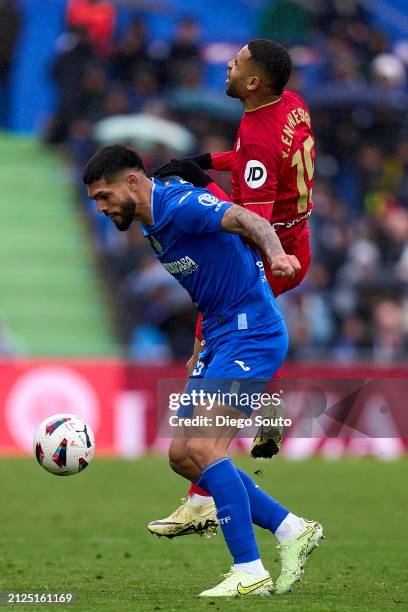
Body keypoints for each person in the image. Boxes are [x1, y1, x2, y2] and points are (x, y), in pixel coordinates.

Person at [83, 144, 323, 597]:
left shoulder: (182, 205)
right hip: (218, 336)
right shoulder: (152, 228)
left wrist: (275, 255)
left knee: (207, 448)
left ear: (133, 181)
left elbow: (250, 220)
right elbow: (208, 284)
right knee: (183, 457)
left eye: (104, 195)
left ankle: (248, 570)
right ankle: (292, 529)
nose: (101, 207)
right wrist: (199, 346)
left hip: (251, 332)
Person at [149, 39, 314, 542]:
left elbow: (250, 221)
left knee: (214, 338)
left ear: (254, 81)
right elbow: (248, 160)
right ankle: (208, 485)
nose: (228, 63)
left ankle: (262, 416)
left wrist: (202, 188)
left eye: (237, 61)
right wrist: (206, 160)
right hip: (298, 242)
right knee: (216, 343)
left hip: (274, 256)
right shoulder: (288, 105)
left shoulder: (261, 133)